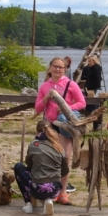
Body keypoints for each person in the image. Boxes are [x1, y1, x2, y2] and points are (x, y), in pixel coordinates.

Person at [35, 56, 86, 204]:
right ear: (50, 67)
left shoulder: (70, 84)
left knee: (65, 158)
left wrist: (67, 107)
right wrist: (46, 99)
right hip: (49, 126)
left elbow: (82, 103)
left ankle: (63, 192)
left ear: (65, 69)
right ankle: (50, 189)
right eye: (55, 66)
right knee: (49, 158)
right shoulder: (45, 86)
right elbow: (37, 108)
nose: (58, 69)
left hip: (64, 125)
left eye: (61, 67)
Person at [14, 120, 67, 216]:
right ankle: (48, 200)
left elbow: (29, 164)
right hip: (55, 188)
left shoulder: (34, 144)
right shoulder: (59, 146)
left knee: (18, 167)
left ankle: (28, 203)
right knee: (47, 179)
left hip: (37, 188)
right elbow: (65, 170)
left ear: (37, 131)